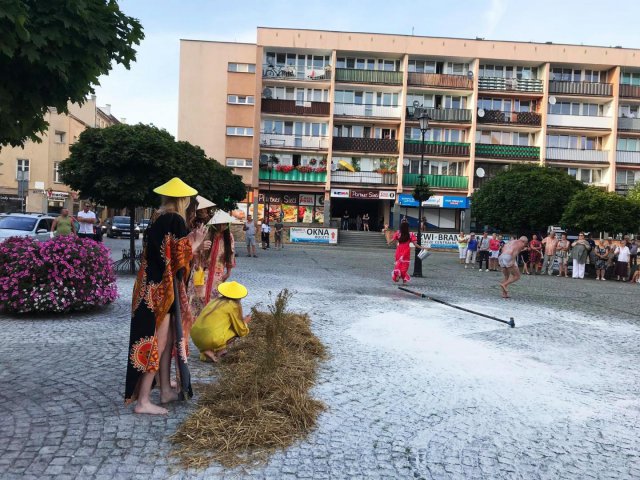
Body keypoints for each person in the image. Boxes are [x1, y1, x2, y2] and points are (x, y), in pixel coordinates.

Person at [125, 177, 206, 415]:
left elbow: (166, 252)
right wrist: (196, 244)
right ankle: (143, 401)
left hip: (149, 286)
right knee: (158, 344)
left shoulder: (158, 217)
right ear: (183, 199)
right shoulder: (176, 219)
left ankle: (165, 391)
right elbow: (178, 261)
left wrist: (188, 244)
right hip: (162, 291)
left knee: (168, 340)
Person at [190, 281, 251, 363]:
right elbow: (241, 330)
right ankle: (220, 352)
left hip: (195, 336)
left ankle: (207, 351)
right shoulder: (233, 305)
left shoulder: (214, 301)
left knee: (219, 329)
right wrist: (245, 322)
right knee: (235, 331)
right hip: (211, 338)